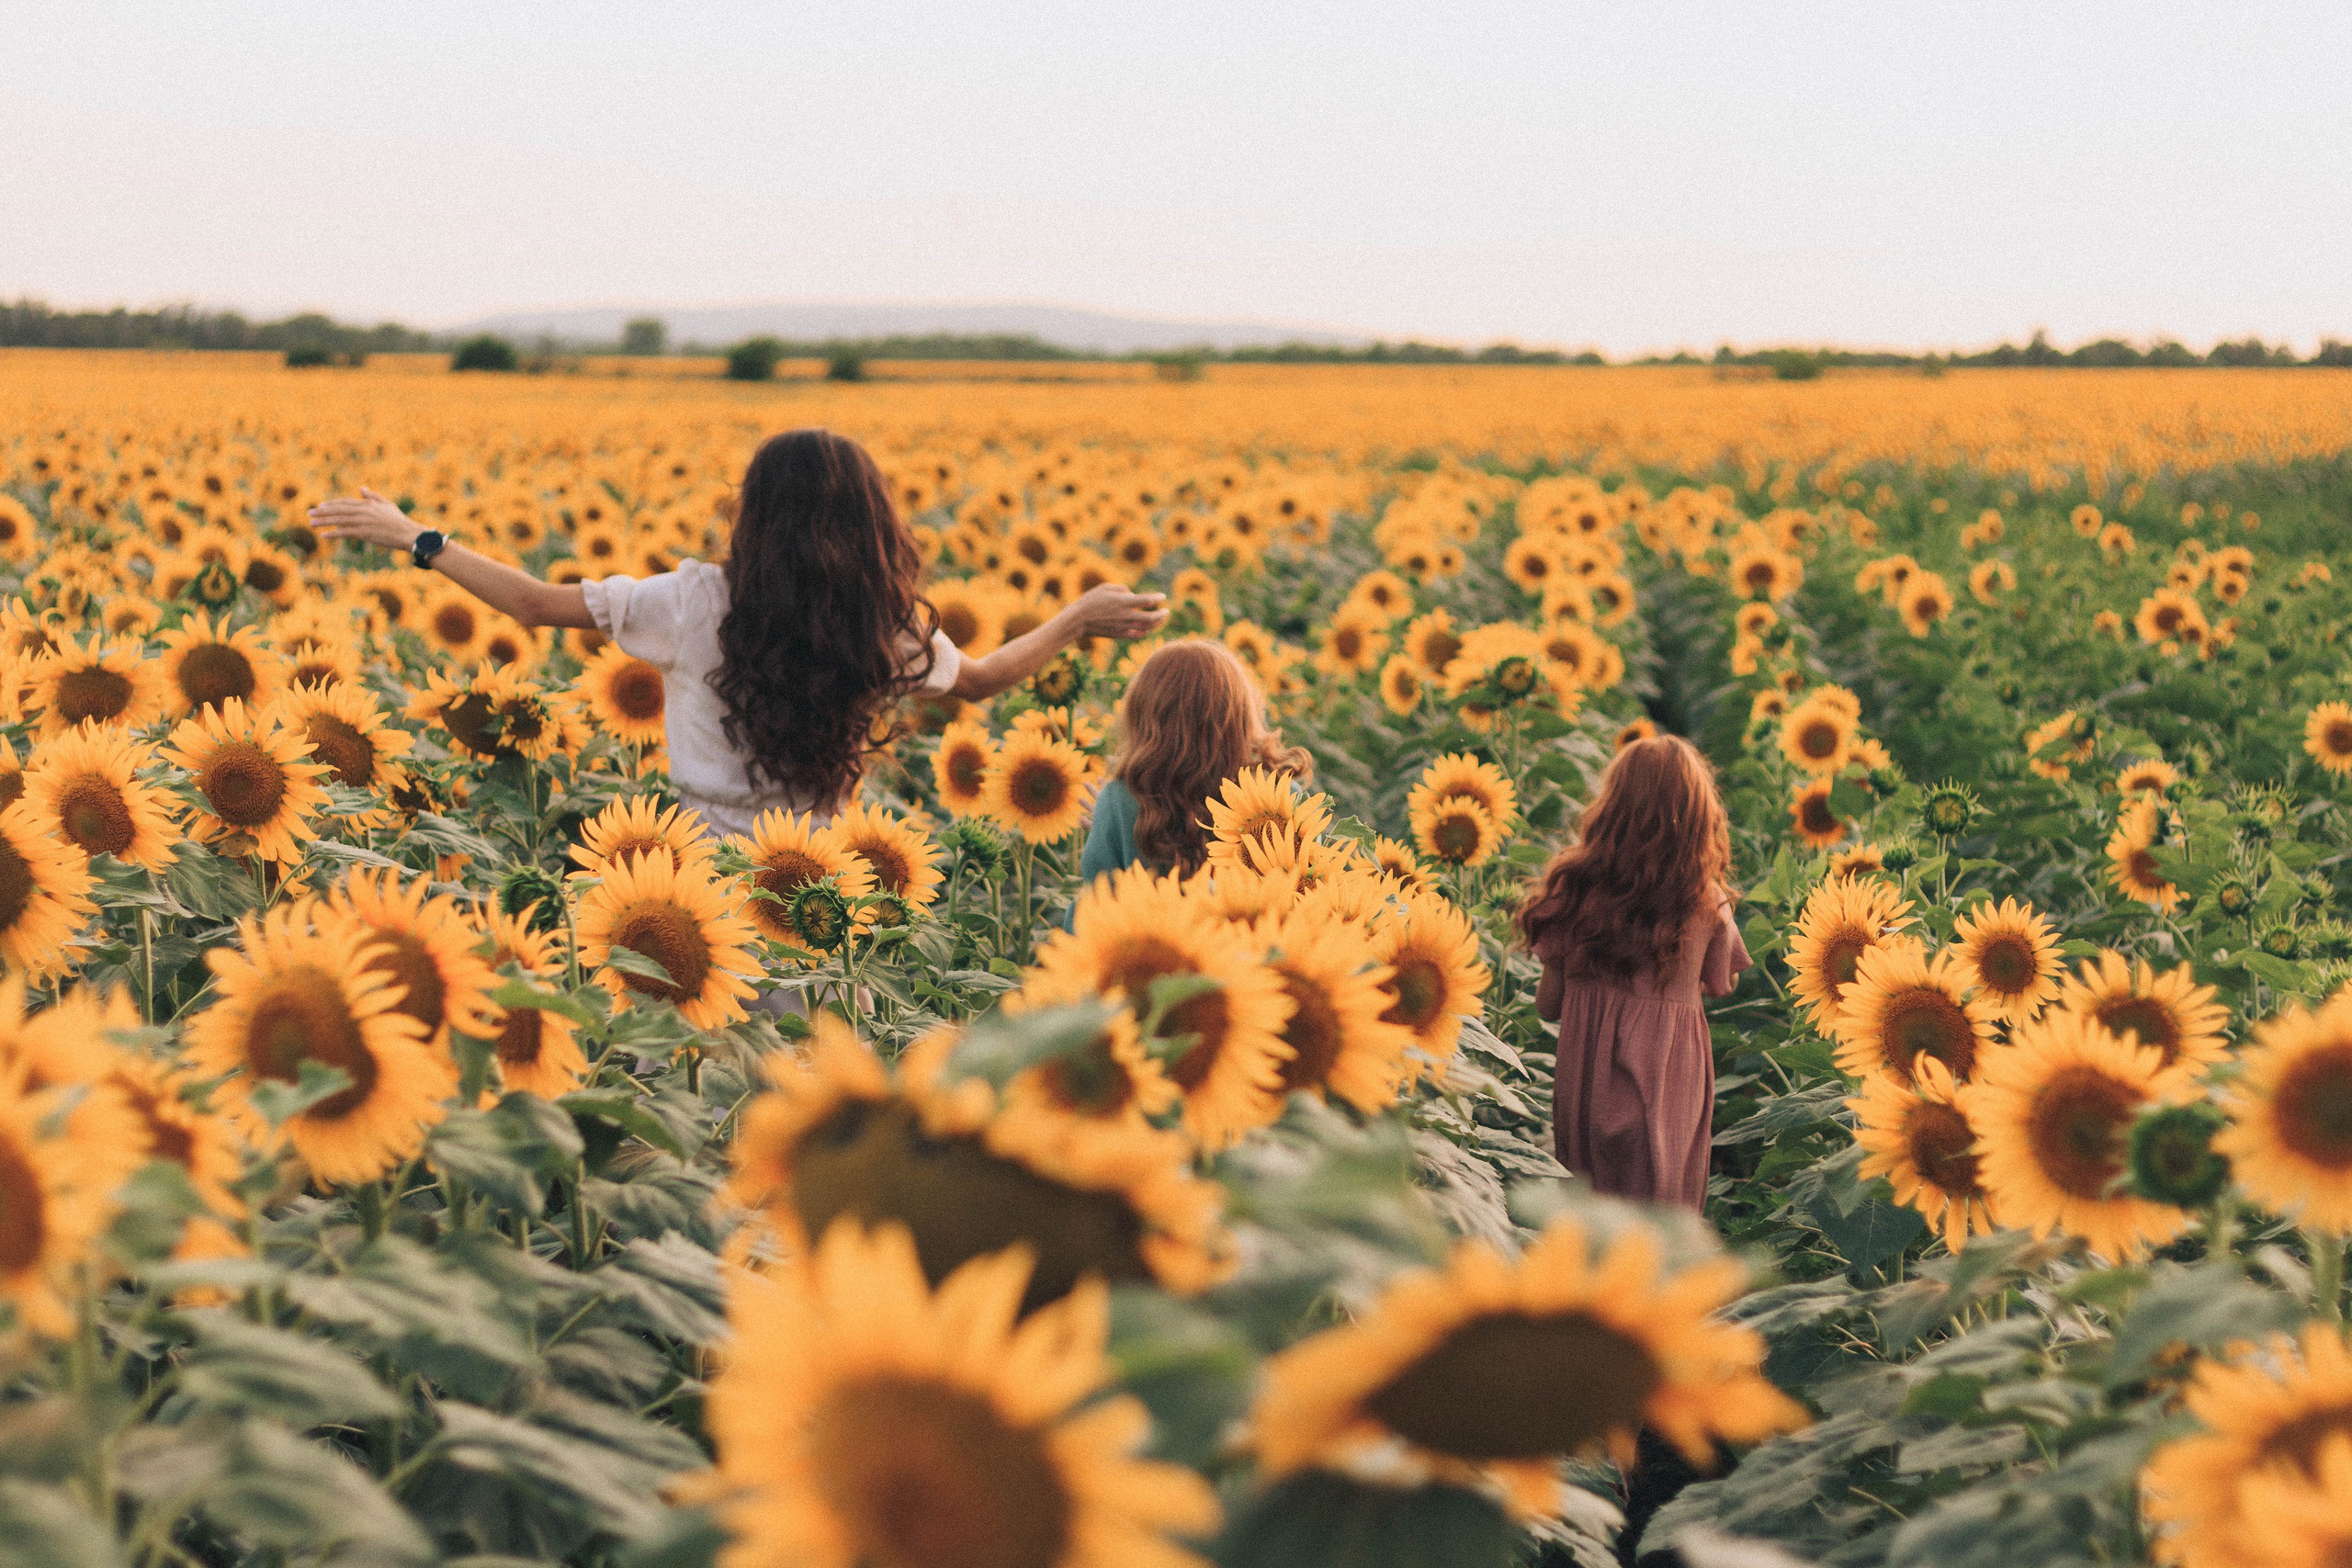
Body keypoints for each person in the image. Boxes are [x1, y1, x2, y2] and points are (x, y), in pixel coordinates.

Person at [312, 428, 1167, 836]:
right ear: (872, 521)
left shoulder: (690, 603)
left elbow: (536, 603)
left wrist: (419, 539)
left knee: (686, 1079)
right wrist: (1076, 618)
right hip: (817, 869)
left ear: (752, 515)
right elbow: (979, 680)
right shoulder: (873, 621)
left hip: (696, 858)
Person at [1519, 733, 1747, 1208]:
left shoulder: (1575, 890)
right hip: (1670, 1076)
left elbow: (1548, 1004)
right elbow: (1724, 984)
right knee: (1663, 1208)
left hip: (1588, 1079)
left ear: (1612, 806)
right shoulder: (1707, 902)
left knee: (1592, 1210)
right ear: (1698, 817)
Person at [1078, 637, 1310, 882]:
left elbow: (1093, 909)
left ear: (1142, 716)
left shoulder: (1122, 799)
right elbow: (1304, 891)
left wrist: (1113, 826)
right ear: (1240, 718)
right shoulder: (1280, 797)